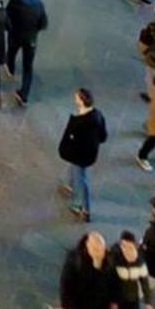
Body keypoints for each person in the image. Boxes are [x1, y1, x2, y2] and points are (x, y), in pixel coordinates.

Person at [58, 87, 107, 221]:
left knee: (81, 178)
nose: (75, 98)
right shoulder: (98, 115)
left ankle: (85, 209)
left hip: (79, 155)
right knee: (74, 169)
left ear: (81, 101)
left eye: (77, 97)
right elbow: (103, 136)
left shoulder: (79, 121)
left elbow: (69, 138)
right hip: (90, 152)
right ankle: (69, 184)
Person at [103, 229, 150, 309]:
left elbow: (144, 279)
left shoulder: (140, 258)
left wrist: (148, 301)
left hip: (132, 297)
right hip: (116, 297)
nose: (125, 248)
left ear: (134, 245)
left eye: (128, 245)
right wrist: (112, 301)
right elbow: (109, 281)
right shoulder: (114, 257)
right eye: (122, 245)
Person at [4, 0, 49, 105]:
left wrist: (9, 29)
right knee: (28, 67)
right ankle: (24, 95)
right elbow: (44, 24)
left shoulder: (14, 3)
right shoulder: (39, 4)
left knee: (11, 52)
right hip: (31, 40)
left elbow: (7, 19)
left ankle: (10, 69)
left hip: (15, 36)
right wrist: (34, 31)